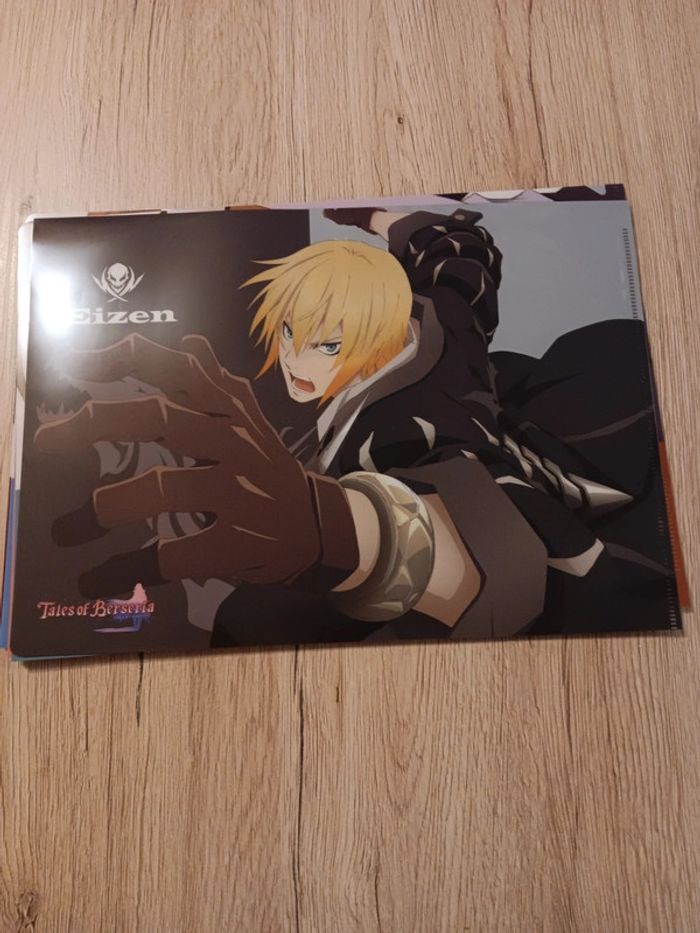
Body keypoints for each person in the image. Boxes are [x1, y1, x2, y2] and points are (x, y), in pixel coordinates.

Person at [36, 207, 677, 644]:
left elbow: (491, 530)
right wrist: (375, 217)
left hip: (574, 510)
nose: (298, 361)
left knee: (252, 618)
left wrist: (347, 532)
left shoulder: (396, 428)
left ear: (380, 336)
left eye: (329, 345)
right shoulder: (440, 323)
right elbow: (459, 254)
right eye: (290, 334)